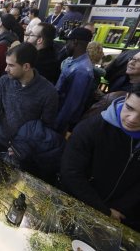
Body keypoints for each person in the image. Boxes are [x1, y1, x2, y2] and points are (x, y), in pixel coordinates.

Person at [61, 85, 140, 232]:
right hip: (75, 205)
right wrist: (105, 211)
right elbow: (70, 172)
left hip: (119, 219)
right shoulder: (92, 128)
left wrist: (119, 212)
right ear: (126, 97)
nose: (132, 119)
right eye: (129, 108)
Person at [0, 42, 58, 150]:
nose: (5, 69)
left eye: (11, 65)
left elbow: (46, 127)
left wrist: (25, 147)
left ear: (26, 66)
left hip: (24, 149)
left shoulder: (48, 92)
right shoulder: (4, 80)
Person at [55, 28, 94, 133]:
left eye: (67, 42)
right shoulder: (73, 61)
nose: (66, 46)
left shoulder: (82, 70)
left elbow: (71, 104)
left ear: (75, 42)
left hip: (59, 119)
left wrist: (56, 125)